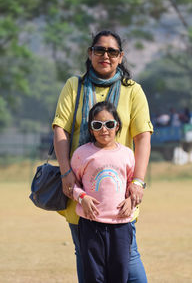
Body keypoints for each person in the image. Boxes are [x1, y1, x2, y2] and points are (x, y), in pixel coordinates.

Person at [52, 30, 153, 283]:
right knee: (87, 260)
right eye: (99, 50)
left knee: (129, 261)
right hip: (79, 191)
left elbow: (143, 137)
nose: (105, 55)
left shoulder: (133, 91)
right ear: (90, 53)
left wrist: (138, 182)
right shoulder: (74, 86)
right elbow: (60, 129)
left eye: (112, 51)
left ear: (120, 57)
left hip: (119, 198)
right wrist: (66, 174)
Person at [71, 101, 135, 283]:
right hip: (91, 224)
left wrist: (131, 201)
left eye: (109, 124)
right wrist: (81, 197)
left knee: (119, 273)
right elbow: (71, 185)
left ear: (117, 126)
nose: (104, 129)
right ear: (91, 129)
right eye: (97, 125)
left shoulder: (127, 154)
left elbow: (132, 184)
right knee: (93, 275)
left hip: (121, 224)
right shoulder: (82, 154)